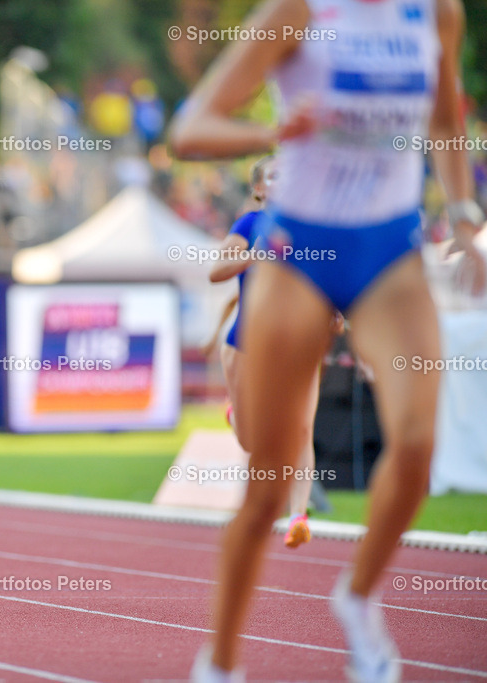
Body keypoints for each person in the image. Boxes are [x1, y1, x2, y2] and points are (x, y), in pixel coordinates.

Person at [171, 0, 486, 681]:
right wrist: (279, 129)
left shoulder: (436, 13)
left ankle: (358, 594)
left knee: (419, 440)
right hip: (299, 249)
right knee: (269, 480)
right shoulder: (297, 12)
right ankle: (220, 662)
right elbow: (189, 128)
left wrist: (465, 220)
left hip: (390, 250)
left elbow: (443, 118)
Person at [205, 155, 322, 549]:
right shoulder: (249, 225)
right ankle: (237, 415)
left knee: (303, 427)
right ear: (258, 189)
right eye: (273, 176)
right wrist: (253, 256)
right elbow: (215, 271)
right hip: (246, 344)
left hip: (299, 342)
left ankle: (298, 517)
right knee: (253, 441)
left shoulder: (312, 229)